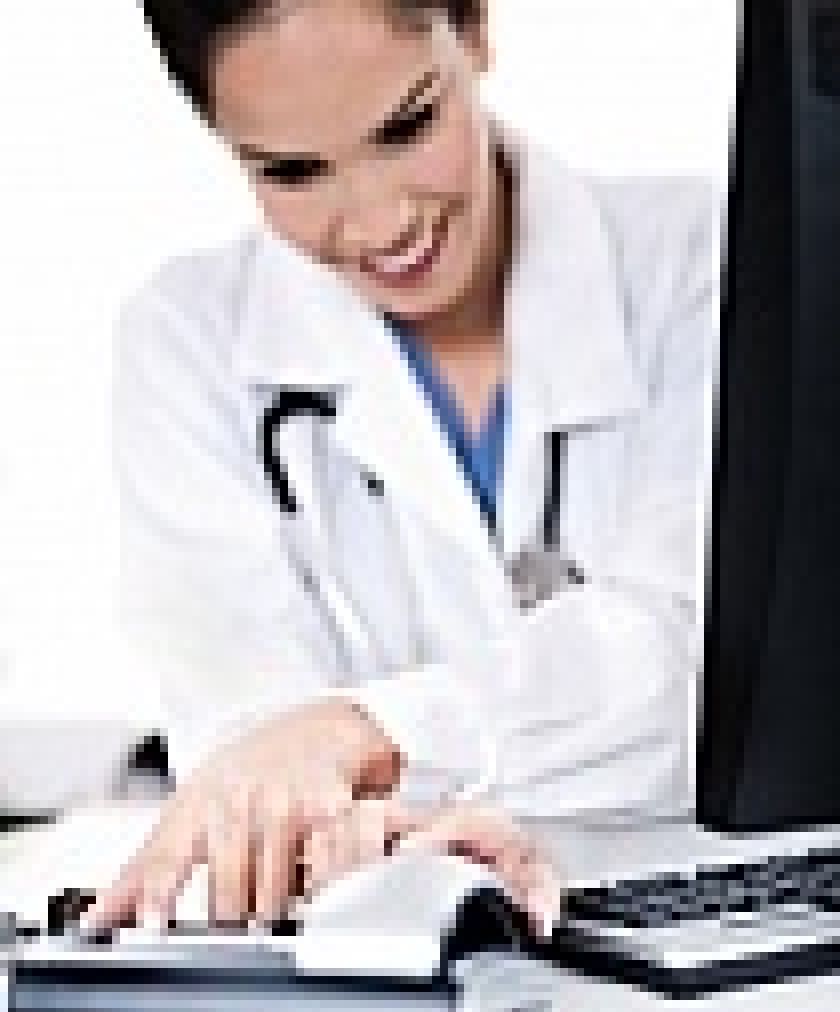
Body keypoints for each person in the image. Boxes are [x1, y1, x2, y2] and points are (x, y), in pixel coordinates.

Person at [86, 0, 718, 936]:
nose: (380, 223)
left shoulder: (704, 263)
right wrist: (340, 828)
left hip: (683, 919)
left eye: (408, 126)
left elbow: (704, 657)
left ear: (475, 29)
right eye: (292, 172)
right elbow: (243, 736)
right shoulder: (189, 341)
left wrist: (376, 735)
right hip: (383, 935)